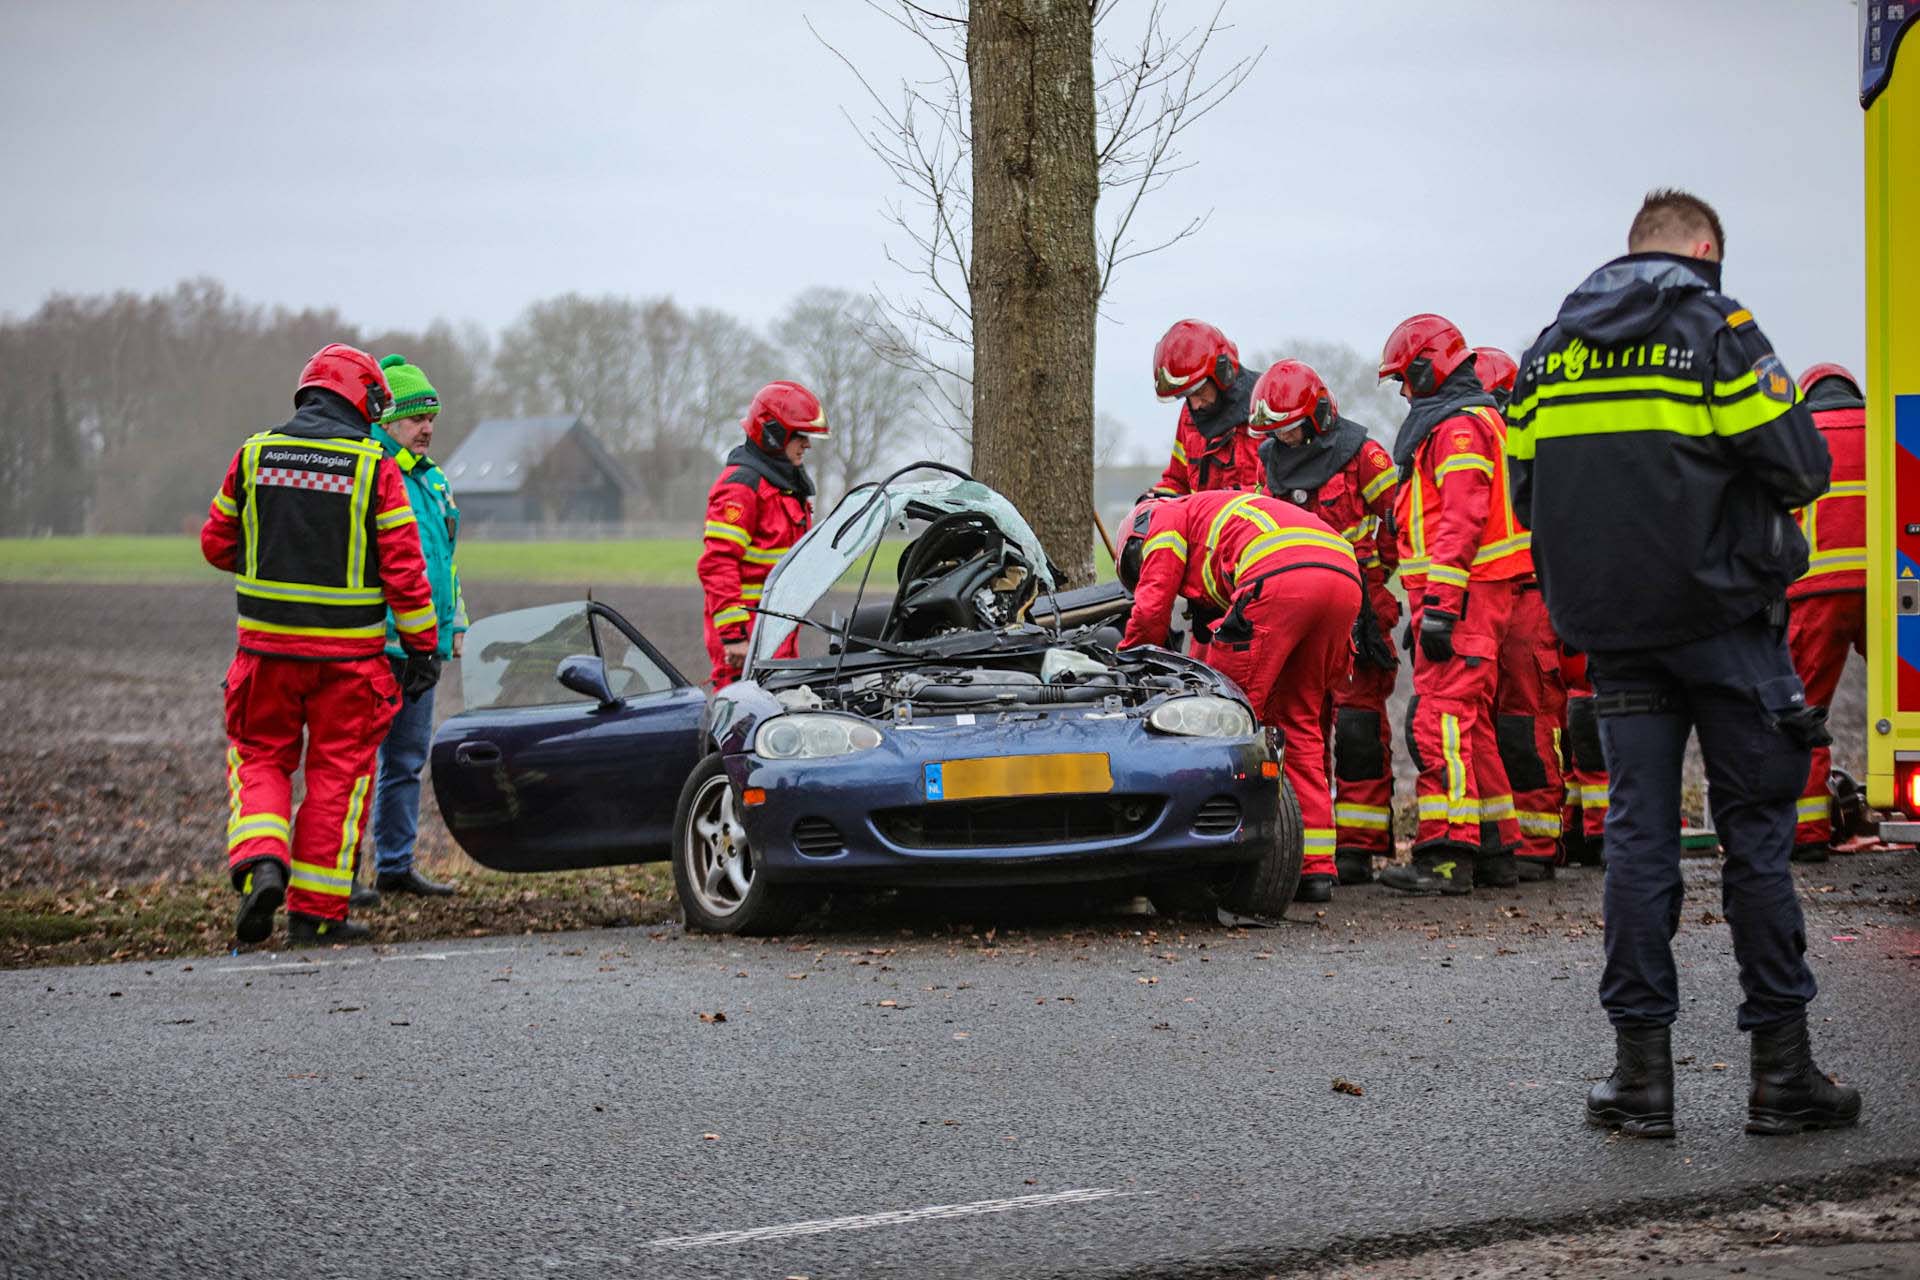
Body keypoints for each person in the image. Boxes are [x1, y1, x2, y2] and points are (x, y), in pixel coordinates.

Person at [1507, 188, 1857, 1136]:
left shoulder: (1548, 353)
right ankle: (1782, 1076)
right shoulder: (1718, 328)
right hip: (1729, 621)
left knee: (1638, 841)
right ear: (1703, 250)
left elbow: (1529, 493)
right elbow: (1803, 466)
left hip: (1614, 632)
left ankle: (1641, 1082)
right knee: (1756, 841)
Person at [201, 344, 440, 946]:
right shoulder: (374, 467)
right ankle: (315, 915)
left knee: (260, 758)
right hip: (349, 665)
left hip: (265, 656)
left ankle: (262, 863)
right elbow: (404, 571)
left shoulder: (253, 454)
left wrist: (274, 559)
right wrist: (422, 649)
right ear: (364, 400)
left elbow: (216, 543)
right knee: (338, 778)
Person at [1117, 491, 1362, 902]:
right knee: (1299, 722)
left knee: (1223, 721)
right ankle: (1314, 867)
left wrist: (1128, 661)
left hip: (1278, 578)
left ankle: (1215, 857)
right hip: (1343, 577)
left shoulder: (1162, 519)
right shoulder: (1220, 511)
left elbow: (1152, 609)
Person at [1375, 316, 1531, 895]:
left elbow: (1460, 519)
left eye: (1404, 378)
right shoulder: (1472, 418)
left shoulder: (1457, 427)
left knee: (1438, 720)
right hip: (1468, 593)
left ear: (1426, 367)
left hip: (1463, 593)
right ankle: (1496, 848)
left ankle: (1446, 854)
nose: (1403, 391)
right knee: (1471, 723)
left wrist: (1439, 604)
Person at [1249, 359, 1402, 886]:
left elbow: (1399, 518)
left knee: (1359, 727)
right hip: (1299, 608)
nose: (1284, 438)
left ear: (1317, 416)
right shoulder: (1269, 461)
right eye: (1276, 431)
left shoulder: (1364, 456)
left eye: (1291, 428)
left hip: (1362, 605)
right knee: (1302, 725)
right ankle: (1311, 847)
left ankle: (1359, 845)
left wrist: (1379, 575)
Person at [363, 354, 466, 901]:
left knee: (406, 762)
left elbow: (445, 561)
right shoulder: (371, 473)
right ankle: (337, 877)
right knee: (354, 765)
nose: (426, 428)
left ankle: (394, 866)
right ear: (387, 420)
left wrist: (457, 622)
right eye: (415, 418)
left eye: (431, 418)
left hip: (424, 648)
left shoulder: (434, 480)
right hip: (378, 645)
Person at [1476, 345, 1568, 879]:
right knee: (1482, 722)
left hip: (1531, 595)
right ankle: (1501, 838)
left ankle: (1536, 841)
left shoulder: (1539, 449)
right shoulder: (1471, 447)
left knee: (1524, 720)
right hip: (1487, 596)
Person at [1784, 362, 1868, 862]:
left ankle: (1808, 834)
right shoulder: (1885, 429)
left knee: (1805, 714)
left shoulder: (1797, 432)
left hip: (1816, 593)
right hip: (1893, 591)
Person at [699, 380, 825, 690]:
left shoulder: (783, 487)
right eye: (800, 435)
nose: (807, 444)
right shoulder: (741, 488)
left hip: (775, 638)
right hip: (746, 644)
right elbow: (718, 563)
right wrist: (734, 636)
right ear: (773, 434)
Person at [1147, 320, 1264, 497]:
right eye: (1187, 396)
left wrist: (1221, 500)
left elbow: (1278, 490)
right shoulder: (1189, 415)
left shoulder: (1267, 409)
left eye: (1199, 392)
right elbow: (1177, 481)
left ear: (1222, 374)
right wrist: (1154, 500)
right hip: (1207, 515)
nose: (1195, 405)